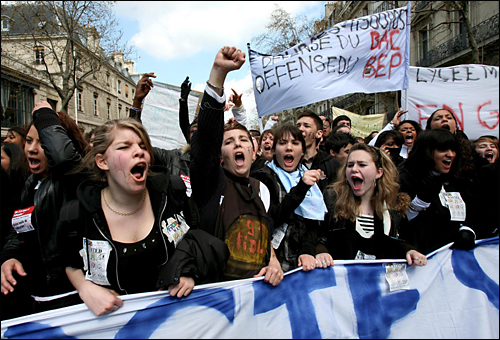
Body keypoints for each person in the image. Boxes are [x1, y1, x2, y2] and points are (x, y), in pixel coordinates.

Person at [62, 118, 228, 316]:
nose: (139, 151)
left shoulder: (172, 195)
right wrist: (84, 288)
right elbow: (66, 260)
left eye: (143, 146)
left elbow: (196, 241)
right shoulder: (78, 213)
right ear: (102, 161)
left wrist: (188, 272)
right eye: (124, 147)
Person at [190, 46, 283, 286]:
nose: (237, 144)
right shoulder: (212, 184)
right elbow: (207, 139)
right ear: (220, 156)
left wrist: (272, 260)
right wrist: (218, 73)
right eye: (229, 142)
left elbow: (265, 234)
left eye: (243, 140)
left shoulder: (262, 188)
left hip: (256, 293)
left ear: (254, 152)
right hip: (217, 295)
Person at [1, 101, 86, 316]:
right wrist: (10, 255)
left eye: (42, 143)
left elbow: (64, 159)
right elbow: (18, 228)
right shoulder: (30, 185)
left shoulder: (71, 182)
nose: (31, 148)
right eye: (29, 140)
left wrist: (45, 115)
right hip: (34, 298)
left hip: (70, 299)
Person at [315, 143, 427, 266]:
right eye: (350, 165)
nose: (354, 169)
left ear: (379, 173)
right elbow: (320, 237)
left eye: (362, 165)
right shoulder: (332, 198)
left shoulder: (393, 206)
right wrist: (321, 252)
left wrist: (409, 250)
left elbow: (392, 242)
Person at [252, 124, 327, 272]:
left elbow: (314, 222)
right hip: (274, 265)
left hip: (302, 265)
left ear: (303, 150)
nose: (289, 148)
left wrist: (307, 250)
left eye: (295, 143)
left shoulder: (310, 178)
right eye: (282, 143)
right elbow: (270, 219)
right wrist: (301, 188)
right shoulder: (263, 177)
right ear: (274, 150)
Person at [398, 129, 477, 255]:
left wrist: (467, 230)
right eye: (443, 150)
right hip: (420, 258)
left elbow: (473, 212)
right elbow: (398, 222)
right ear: (426, 151)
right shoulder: (403, 179)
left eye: (453, 150)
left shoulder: (455, 179)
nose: (450, 154)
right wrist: (419, 203)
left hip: (451, 258)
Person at [296, 110, 341, 192]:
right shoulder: (290, 163)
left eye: (306, 126)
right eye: (298, 126)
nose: (300, 129)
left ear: (319, 134)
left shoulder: (331, 164)